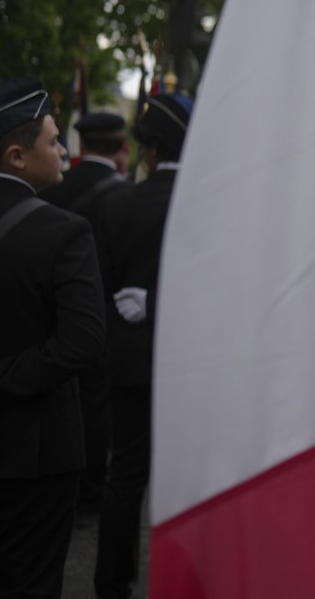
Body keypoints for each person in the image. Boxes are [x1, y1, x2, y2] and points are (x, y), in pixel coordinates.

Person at [0, 77, 106, 599]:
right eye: (54, 141)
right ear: (17, 156)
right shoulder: (65, 231)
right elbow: (84, 341)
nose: (65, 151)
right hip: (35, 456)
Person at [93, 92, 193, 599]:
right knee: (196, 477)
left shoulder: (116, 204)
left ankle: (112, 584)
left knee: (125, 477)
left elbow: (103, 294)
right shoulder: (210, 203)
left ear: (149, 150)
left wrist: (148, 306)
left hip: (131, 358)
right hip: (194, 363)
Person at [41, 111, 131, 520]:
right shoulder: (125, 193)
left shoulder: (52, 185)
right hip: (109, 315)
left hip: (51, 311)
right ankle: (91, 492)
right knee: (96, 406)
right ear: (121, 146)